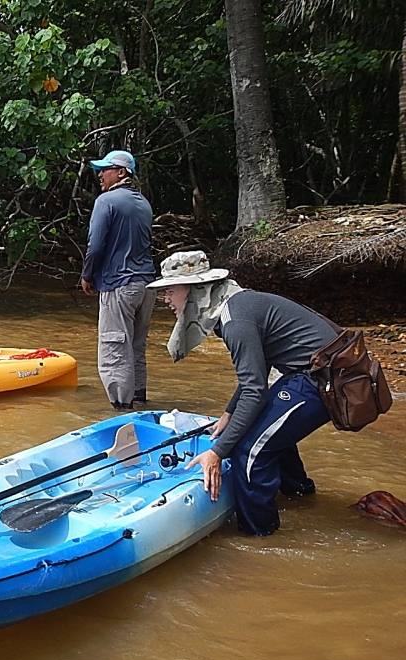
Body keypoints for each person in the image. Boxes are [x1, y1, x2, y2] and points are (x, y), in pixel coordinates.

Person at [148, 250, 337, 535]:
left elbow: (255, 391)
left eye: (170, 291)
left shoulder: (235, 320)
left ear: (196, 289)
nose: (166, 300)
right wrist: (228, 413)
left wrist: (218, 452)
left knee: (249, 450)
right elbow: (259, 373)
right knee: (264, 429)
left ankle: (260, 535)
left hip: (325, 380)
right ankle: (299, 496)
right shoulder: (235, 305)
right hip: (314, 373)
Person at [80, 149, 157, 409]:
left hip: (119, 284)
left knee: (114, 348)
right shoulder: (143, 203)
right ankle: (139, 399)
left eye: (105, 169)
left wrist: (87, 275)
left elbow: (96, 245)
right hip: (147, 285)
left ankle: (119, 409)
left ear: (122, 172)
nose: (100, 174)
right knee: (135, 345)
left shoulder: (107, 201)